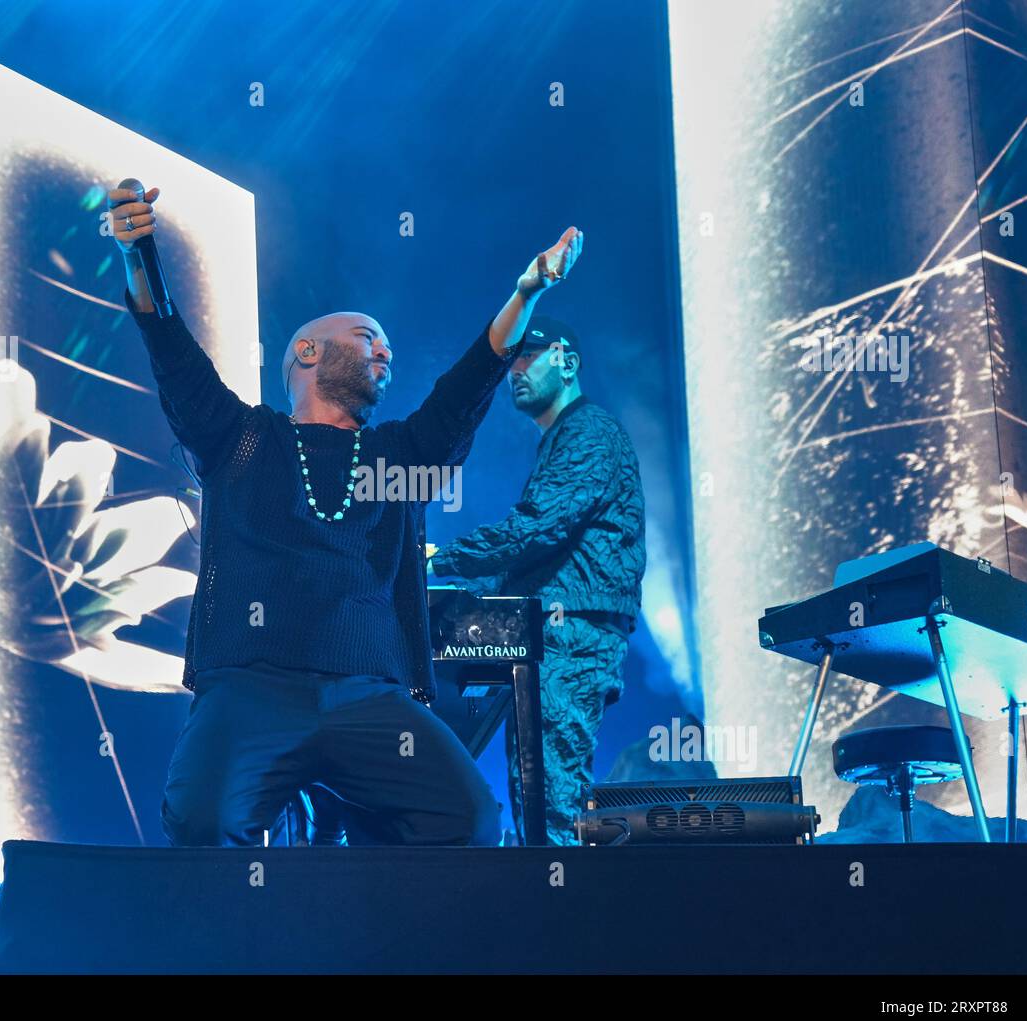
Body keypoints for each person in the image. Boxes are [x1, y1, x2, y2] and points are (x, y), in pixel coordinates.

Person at [109, 183, 584, 846]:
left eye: (388, 346)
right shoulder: (243, 440)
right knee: (203, 820)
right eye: (368, 337)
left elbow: (464, 390)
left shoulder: (395, 456)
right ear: (309, 352)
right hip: (253, 689)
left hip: (369, 696)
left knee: (470, 817)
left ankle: (381, 944)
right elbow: (173, 354)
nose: (385, 351)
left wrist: (527, 291)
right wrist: (139, 254)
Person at [428, 317, 644, 845]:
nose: (515, 370)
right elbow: (534, 547)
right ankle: (552, 903)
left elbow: (537, 527)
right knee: (537, 794)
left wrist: (439, 562)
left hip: (571, 633)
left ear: (567, 361)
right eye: (512, 361)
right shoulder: (562, 439)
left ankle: (565, 913)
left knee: (552, 801)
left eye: (530, 355)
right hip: (550, 633)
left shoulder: (589, 431)